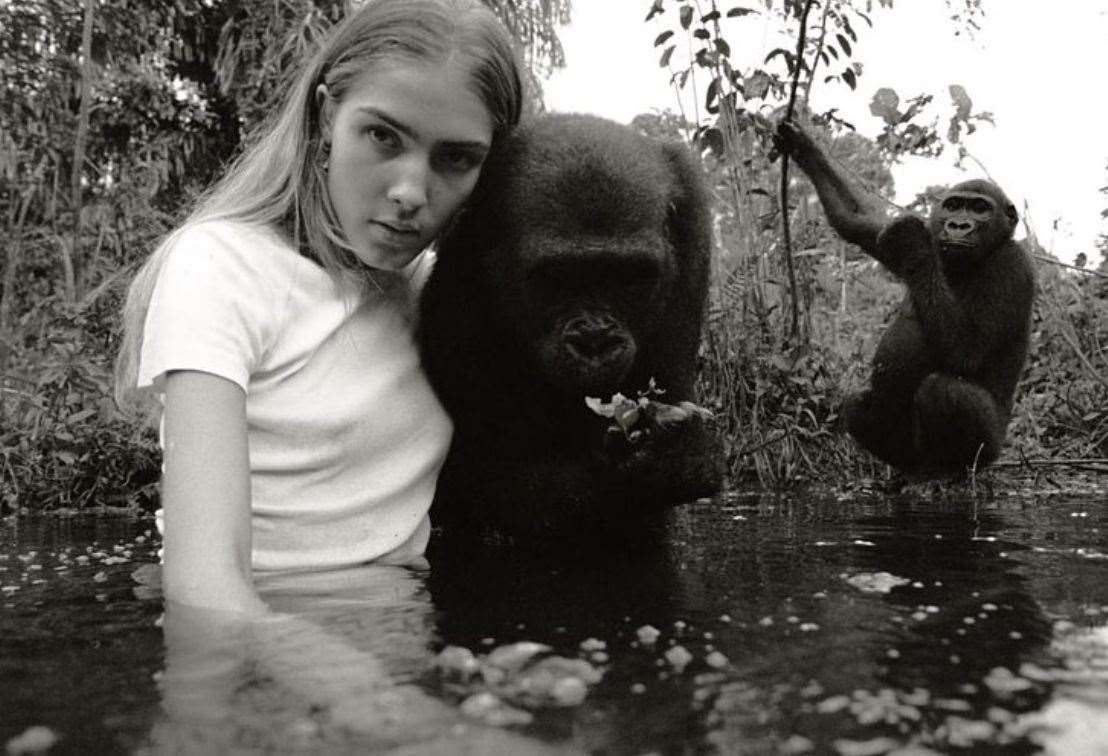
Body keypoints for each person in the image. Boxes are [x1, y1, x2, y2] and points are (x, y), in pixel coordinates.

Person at [114, 0, 524, 616]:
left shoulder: (444, 295)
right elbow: (204, 583)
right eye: (383, 136)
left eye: (456, 158)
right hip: (235, 643)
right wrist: (368, 698)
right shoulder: (220, 265)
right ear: (327, 115)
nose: (411, 192)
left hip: (399, 627)